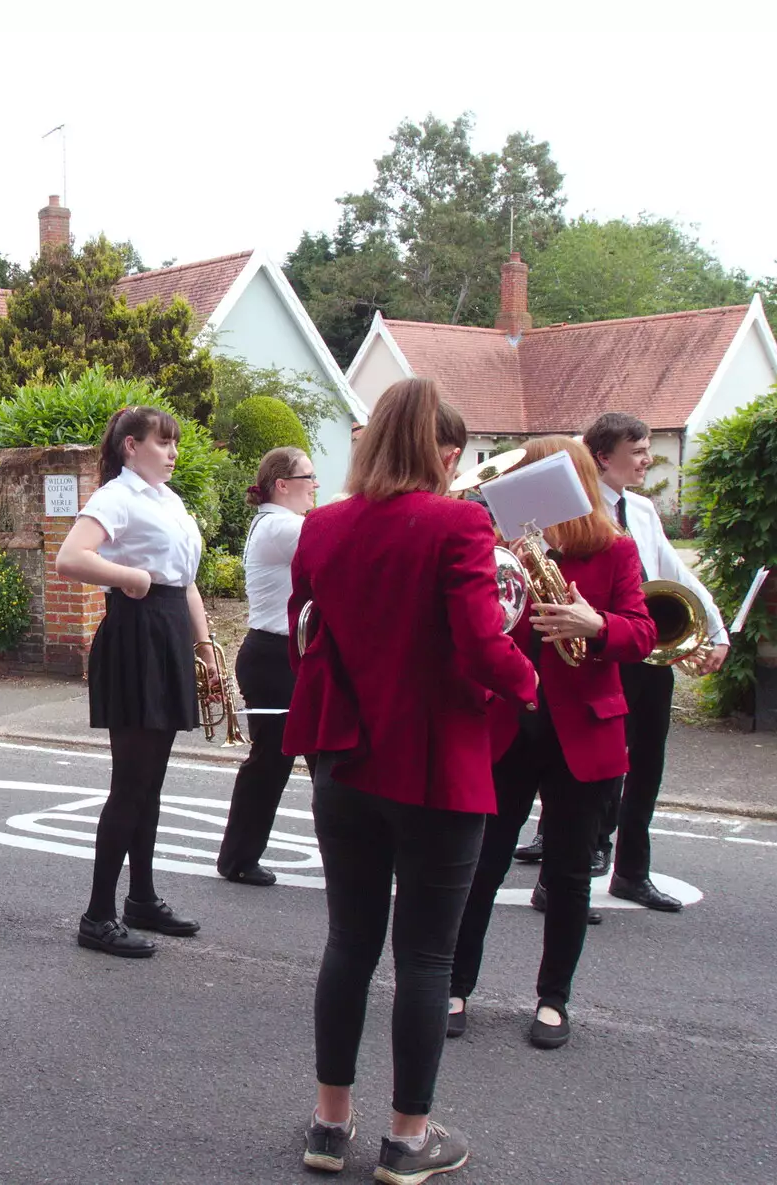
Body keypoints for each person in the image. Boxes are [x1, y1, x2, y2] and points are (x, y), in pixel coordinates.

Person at [285, 378, 537, 1182]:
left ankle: (329, 1127)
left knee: (347, 943)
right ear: (442, 450)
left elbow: (306, 636)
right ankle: (406, 1138)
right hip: (434, 766)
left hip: (346, 763)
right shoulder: (461, 521)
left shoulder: (321, 525)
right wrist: (533, 677)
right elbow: (479, 645)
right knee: (426, 958)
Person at [446, 435, 657, 1051]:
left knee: (569, 873)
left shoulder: (614, 550)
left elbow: (643, 632)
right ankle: (457, 987)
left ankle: (553, 1000)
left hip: (583, 727)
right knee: (481, 865)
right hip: (511, 723)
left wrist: (599, 626)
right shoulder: (494, 548)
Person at [514, 413, 729, 914]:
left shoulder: (643, 511)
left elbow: (673, 571)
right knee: (588, 764)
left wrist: (714, 629)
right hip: (591, 652)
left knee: (646, 763)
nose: (646, 460)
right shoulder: (570, 512)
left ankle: (632, 871)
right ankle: (566, 867)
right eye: (637, 451)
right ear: (601, 458)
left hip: (640, 647)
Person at [55, 405, 213, 959]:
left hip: (167, 632)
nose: (172, 452)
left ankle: (141, 898)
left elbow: (185, 581)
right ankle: (98, 915)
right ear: (130, 446)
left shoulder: (168, 500)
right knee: (131, 784)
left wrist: (204, 645)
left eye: (175, 443)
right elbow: (70, 558)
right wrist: (130, 577)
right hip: (136, 634)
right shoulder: (115, 497)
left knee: (151, 783)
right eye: (162, 443)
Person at [215, 446, 318, 887]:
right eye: (308, 476)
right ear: (282, 484)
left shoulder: (280, 524)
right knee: (283, 763)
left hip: (280, 655)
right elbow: (344, 544)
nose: (315, 485)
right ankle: (237, 858)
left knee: (294, 761)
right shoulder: (282, 526)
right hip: (276, 658)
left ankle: (238, 856)